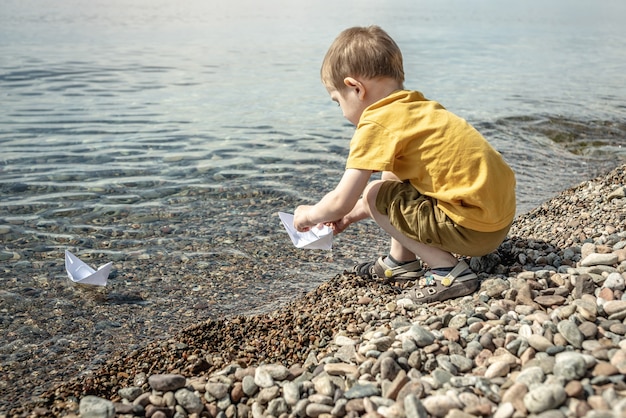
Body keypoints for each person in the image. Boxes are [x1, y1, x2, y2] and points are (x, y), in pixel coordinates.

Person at [293, 26, 516, 303]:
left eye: (337, 101)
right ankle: (401, 262)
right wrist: (349, 217)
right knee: (391, 178)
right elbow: (377, 195)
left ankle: (447, 270)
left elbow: (342, 198)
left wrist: (309, 215)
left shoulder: (376, 121)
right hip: (496, 220)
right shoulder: (416, 107)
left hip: (472, 229)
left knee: (376, 193)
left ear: (355, 88)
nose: (341, 111)